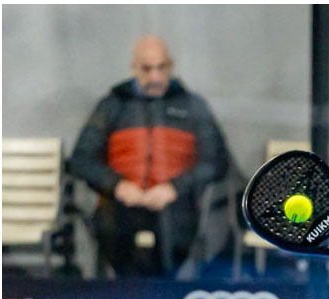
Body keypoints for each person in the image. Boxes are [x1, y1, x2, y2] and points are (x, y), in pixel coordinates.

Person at [69, 35, 228, 277]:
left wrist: (175, 188)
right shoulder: (112, 106)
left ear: (170, 66)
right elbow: (81, 159)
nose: (155, 77)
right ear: (134, 67)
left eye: (161, 68)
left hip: (176, 211)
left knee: (175, 241)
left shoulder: (192, 106)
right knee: (111, 231)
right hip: (120, 210)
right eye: (146, 68)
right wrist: (117, 185)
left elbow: (215, 160)